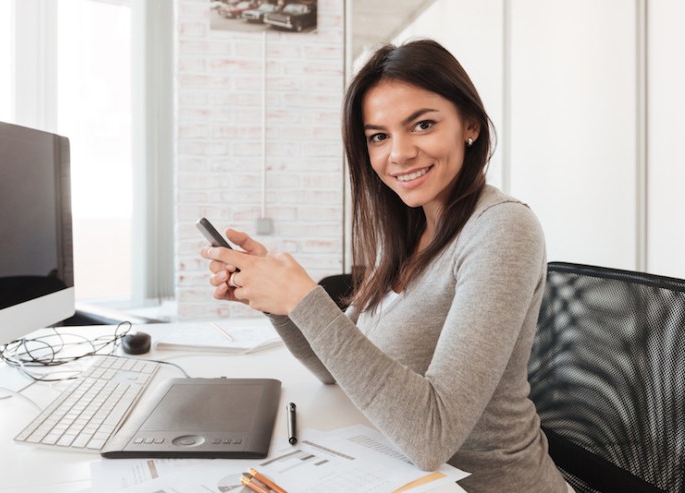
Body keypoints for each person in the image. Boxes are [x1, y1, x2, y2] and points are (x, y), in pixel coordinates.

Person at [201, 38, 569, 493]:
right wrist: (277, 301)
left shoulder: (502, 228)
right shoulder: (410, 230)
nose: (399, 154)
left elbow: (431, 434)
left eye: (422, 125)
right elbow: (332, 367)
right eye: (379, 136)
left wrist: (303, 297)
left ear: (469, 125)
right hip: (404, 476)